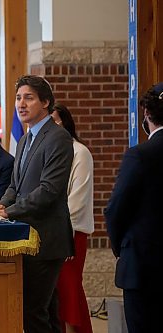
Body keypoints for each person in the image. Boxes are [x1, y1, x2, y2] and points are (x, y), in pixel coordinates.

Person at [0, 75, 74, 332]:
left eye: (29, 98)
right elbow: (15, 186)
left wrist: (8, 211)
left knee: (33, 312)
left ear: (45, 102)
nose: (21, 104)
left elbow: (49, 190)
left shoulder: (58, 138)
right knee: (42, 311)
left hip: (46, 237)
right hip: (26, 233)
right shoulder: (24, 139)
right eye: (19, 98)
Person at [104, 82, 163, 333]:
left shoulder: (140, 155)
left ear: (146, 114)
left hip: (144, 265)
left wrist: (122, 249)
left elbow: (116, 209)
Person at [51, 104, 94, 333]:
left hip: (70, 233)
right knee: (55, 294)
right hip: (49, 233)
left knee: (69, 292)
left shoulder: (80, 152)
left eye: (55, 121)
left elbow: (77, 201)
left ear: (66, 123)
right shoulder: (49, 152)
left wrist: (61, 233)